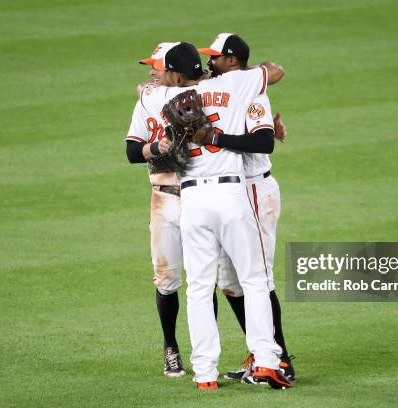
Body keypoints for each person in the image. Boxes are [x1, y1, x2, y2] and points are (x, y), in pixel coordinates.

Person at [150, 42, 292, 390]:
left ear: (176, 74)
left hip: (192, 199)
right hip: (231, 193)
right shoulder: (235, 83)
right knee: (255, 279)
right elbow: (272, 70)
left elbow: (162, 156)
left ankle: (205, 374)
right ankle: (267, 362)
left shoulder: (164, 100)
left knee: (199, 287)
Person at [199, 33, 295, 383]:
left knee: (260, 278)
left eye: (216, 58)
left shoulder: (252, 90)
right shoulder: (222, 89)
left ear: (233, 61)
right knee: (229, 281)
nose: (209, 62)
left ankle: (279, 359)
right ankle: (260, 351)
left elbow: (263, 139)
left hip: (256, 188)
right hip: (234, 193)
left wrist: (215, 138)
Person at [124, 42, 187, 377]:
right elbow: (132, 151)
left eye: (155, 67)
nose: (150, 72)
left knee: (206, 280)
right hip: (164, 199)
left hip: (200, 197)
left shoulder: (198, 96)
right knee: (167, 280)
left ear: (173, 72)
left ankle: (209, 352)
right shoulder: (145, 102)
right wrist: (155, 148)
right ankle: (171, 347)